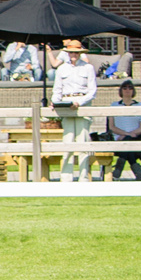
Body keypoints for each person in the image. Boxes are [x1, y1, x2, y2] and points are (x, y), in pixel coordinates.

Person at [50, 39, 99, 181]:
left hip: (82, 105)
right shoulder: (61, 69)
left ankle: (83, 177)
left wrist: (80, 102)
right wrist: (55, 103)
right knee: (68, 141)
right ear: (67, 53)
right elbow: (57, 90)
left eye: (76, 52)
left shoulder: (88, 68)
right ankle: (66, 177)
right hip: (66, 105)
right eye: (71, 52)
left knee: (83, 142)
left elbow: (92, 91)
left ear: (80, 53)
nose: (73, 55)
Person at [106, 80, 141, 181]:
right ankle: (138, 173)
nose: (127, 90)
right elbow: (111, 127)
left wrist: (129, 135)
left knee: (128, 141)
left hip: (136, 137)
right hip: (118, 138)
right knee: (127, 142)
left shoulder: (140, 106)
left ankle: (118, 169)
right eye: (125, 88)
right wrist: (125, 134)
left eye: (130, 88)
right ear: (121, 90)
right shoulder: (114, 105)